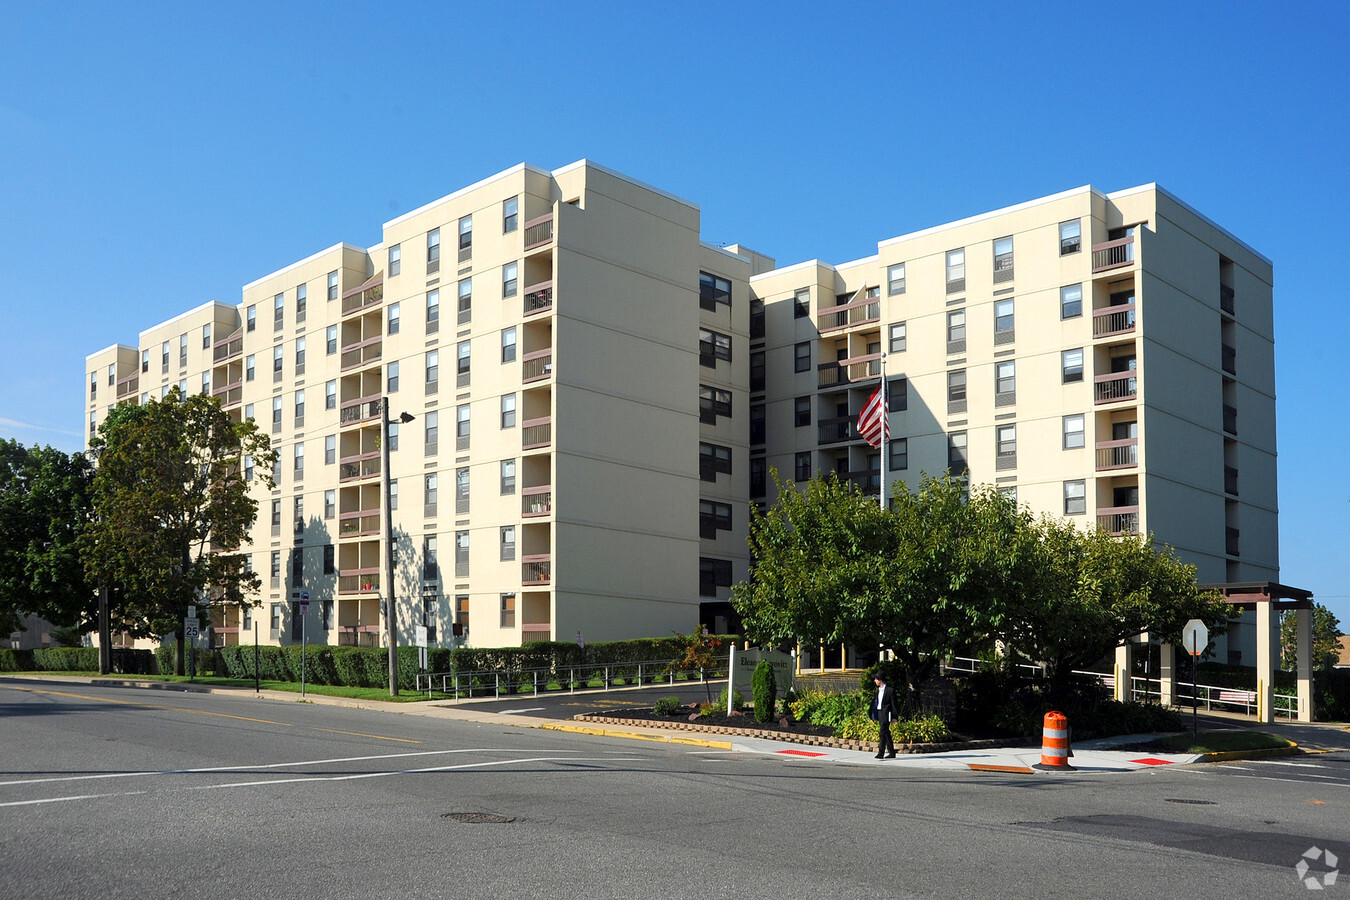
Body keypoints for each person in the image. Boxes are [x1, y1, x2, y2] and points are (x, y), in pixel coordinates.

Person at [869, 672, 900, 759]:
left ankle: (881, 752)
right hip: (879, 712)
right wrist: (872, 715)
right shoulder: (878, 691)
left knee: (882, 732)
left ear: (880, 680)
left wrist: (895, 716)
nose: (875, 681)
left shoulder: (890, 690)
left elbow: (894, 705)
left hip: (887, 713)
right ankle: (892, 752)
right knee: (886, 732)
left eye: (876, 679)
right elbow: (874, 704)